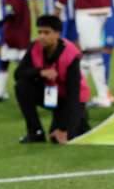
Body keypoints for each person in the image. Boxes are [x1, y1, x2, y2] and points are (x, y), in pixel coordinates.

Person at [15, 14, 91, 145]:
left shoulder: (71, 54)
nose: (42, 36)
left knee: (62, 137)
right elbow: (18, 74)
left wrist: (65, 130)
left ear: (57, 34)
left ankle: (80, 122)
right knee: (21, 86)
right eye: (39, 32)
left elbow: (74, 94)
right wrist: (40, 72)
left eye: (46, 32)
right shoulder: (35, 47)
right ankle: (36, 133)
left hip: (72, 100)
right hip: (52, 94)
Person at [0, 0, 32, 101]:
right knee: (24, 68)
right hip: (24, 40)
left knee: (4, 65)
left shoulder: (9, 1)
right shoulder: (24, 1)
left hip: (11, 39)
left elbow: (9, 14)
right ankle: (26, 93)